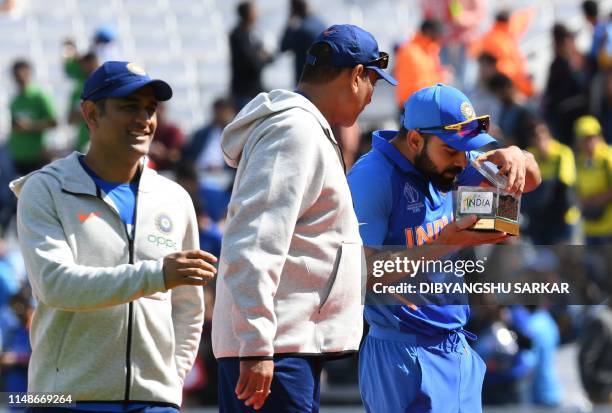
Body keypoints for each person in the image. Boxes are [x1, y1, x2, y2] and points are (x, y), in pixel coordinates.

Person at [10, 61, 218, 413]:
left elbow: (188, 307)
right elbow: (54, 285)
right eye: (129, 107)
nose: (144, 119)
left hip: (153, 403)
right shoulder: (45, 189)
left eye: (150, 109)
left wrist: (170, 381)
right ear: (91, 114)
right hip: (64, 400)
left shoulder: (175, 199)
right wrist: (157, 275)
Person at [212, 24, 397, 412]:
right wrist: (257, 344)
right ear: (356, 75)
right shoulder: (295, 131)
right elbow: (254, 241)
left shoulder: (305, 128)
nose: (370, 96)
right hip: (273, 352)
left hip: (283, 347)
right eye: (372, 83)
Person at [347, 83, 541, 413]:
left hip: (456, 346)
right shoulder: (372, 177)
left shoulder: (449, 162)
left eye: (466, 151)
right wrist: (447, 241)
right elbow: (360, 277)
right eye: (452, 152)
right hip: (402, 353)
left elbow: (532, 180)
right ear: (415, 140)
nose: (462, 162)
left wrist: (517, 156)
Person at [523, 117, 579, 244]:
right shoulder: (529, 156)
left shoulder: (563, 153)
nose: (540, 140)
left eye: (543, 134)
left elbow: (565, 185)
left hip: (563, 218)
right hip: (539, 221)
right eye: (535, 136)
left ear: (549, 134)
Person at [8, 59, 57, 176]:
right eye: (16, 74)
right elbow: (14, 126)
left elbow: (54, 122)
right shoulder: (15, 101)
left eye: (22, 73)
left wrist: (30, 126)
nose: (19, 77)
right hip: (19, 157)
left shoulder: (39, 96)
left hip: (38, 156)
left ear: (29, 73)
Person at [573, 115, 612, 245]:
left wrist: (597, 199)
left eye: (591, 137)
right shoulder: (580, 161)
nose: (587, 142)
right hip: (590, 226)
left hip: (609, 226)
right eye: (583, 138)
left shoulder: (608, 158)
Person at [229, 1, 274, 110]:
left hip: (256, 90)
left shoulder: (254, 33)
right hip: (244, 92)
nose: (258, 14)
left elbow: (269, 56)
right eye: (255, 11)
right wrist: (262, 57)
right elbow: (252, 63)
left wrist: (264, 57)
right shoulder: (238, 35)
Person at [394, 19, 447, 111]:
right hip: (413, 107)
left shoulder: (430, 50)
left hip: (424, 104)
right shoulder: (410, 51)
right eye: (439, 33)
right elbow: (416, 84)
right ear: (429, 32)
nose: (441, 37)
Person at [280, 0, 326, 85]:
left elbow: (283, 47)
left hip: (305, 79)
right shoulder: (321, 24)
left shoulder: (300, 30)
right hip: (322, 76)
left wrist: (289, 24)